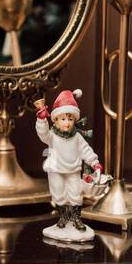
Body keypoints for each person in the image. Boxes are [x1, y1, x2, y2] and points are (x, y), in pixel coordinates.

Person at [35, 88, 102, 243]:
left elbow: (86, 150)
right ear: (56, 120)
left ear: (74, 120)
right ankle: (63, 217)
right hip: (56, 169)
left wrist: (95, 162)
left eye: (70, 119)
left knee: (75, 194)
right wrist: (42, 120)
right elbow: (43, 134)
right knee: (58, 193)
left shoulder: (77, 137)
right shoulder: (52, 136)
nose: (67, 123)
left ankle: (76, 218)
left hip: (73, 170)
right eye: (63, 119)